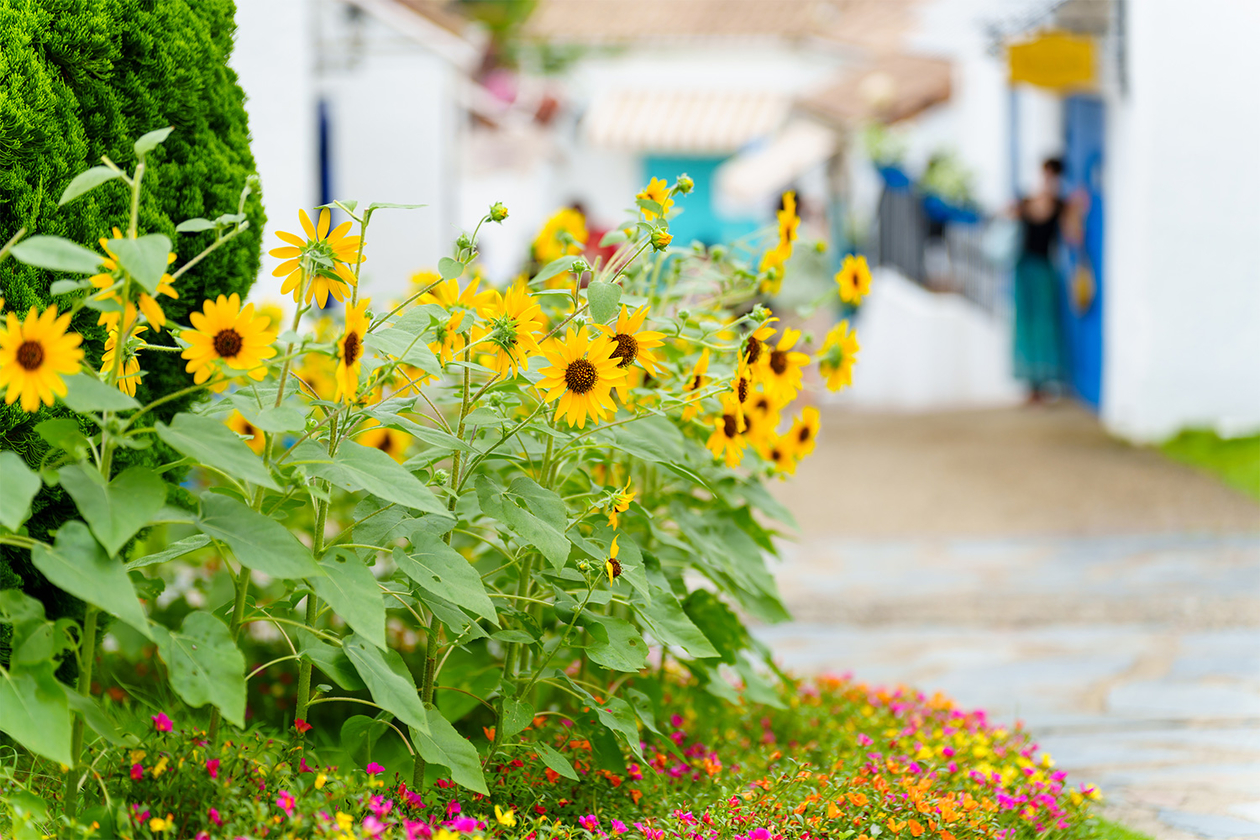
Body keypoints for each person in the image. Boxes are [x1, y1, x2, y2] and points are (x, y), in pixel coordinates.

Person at [1011, 157, 1084, 403]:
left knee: (1045, 325)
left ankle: (1044, 383)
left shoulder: (1062, 206)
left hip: (1044, 271)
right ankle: (1031, 385)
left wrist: (1077, 212)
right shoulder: (1024, 202)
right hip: (1024, 270)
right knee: (1025, 325)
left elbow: (1074, 238)